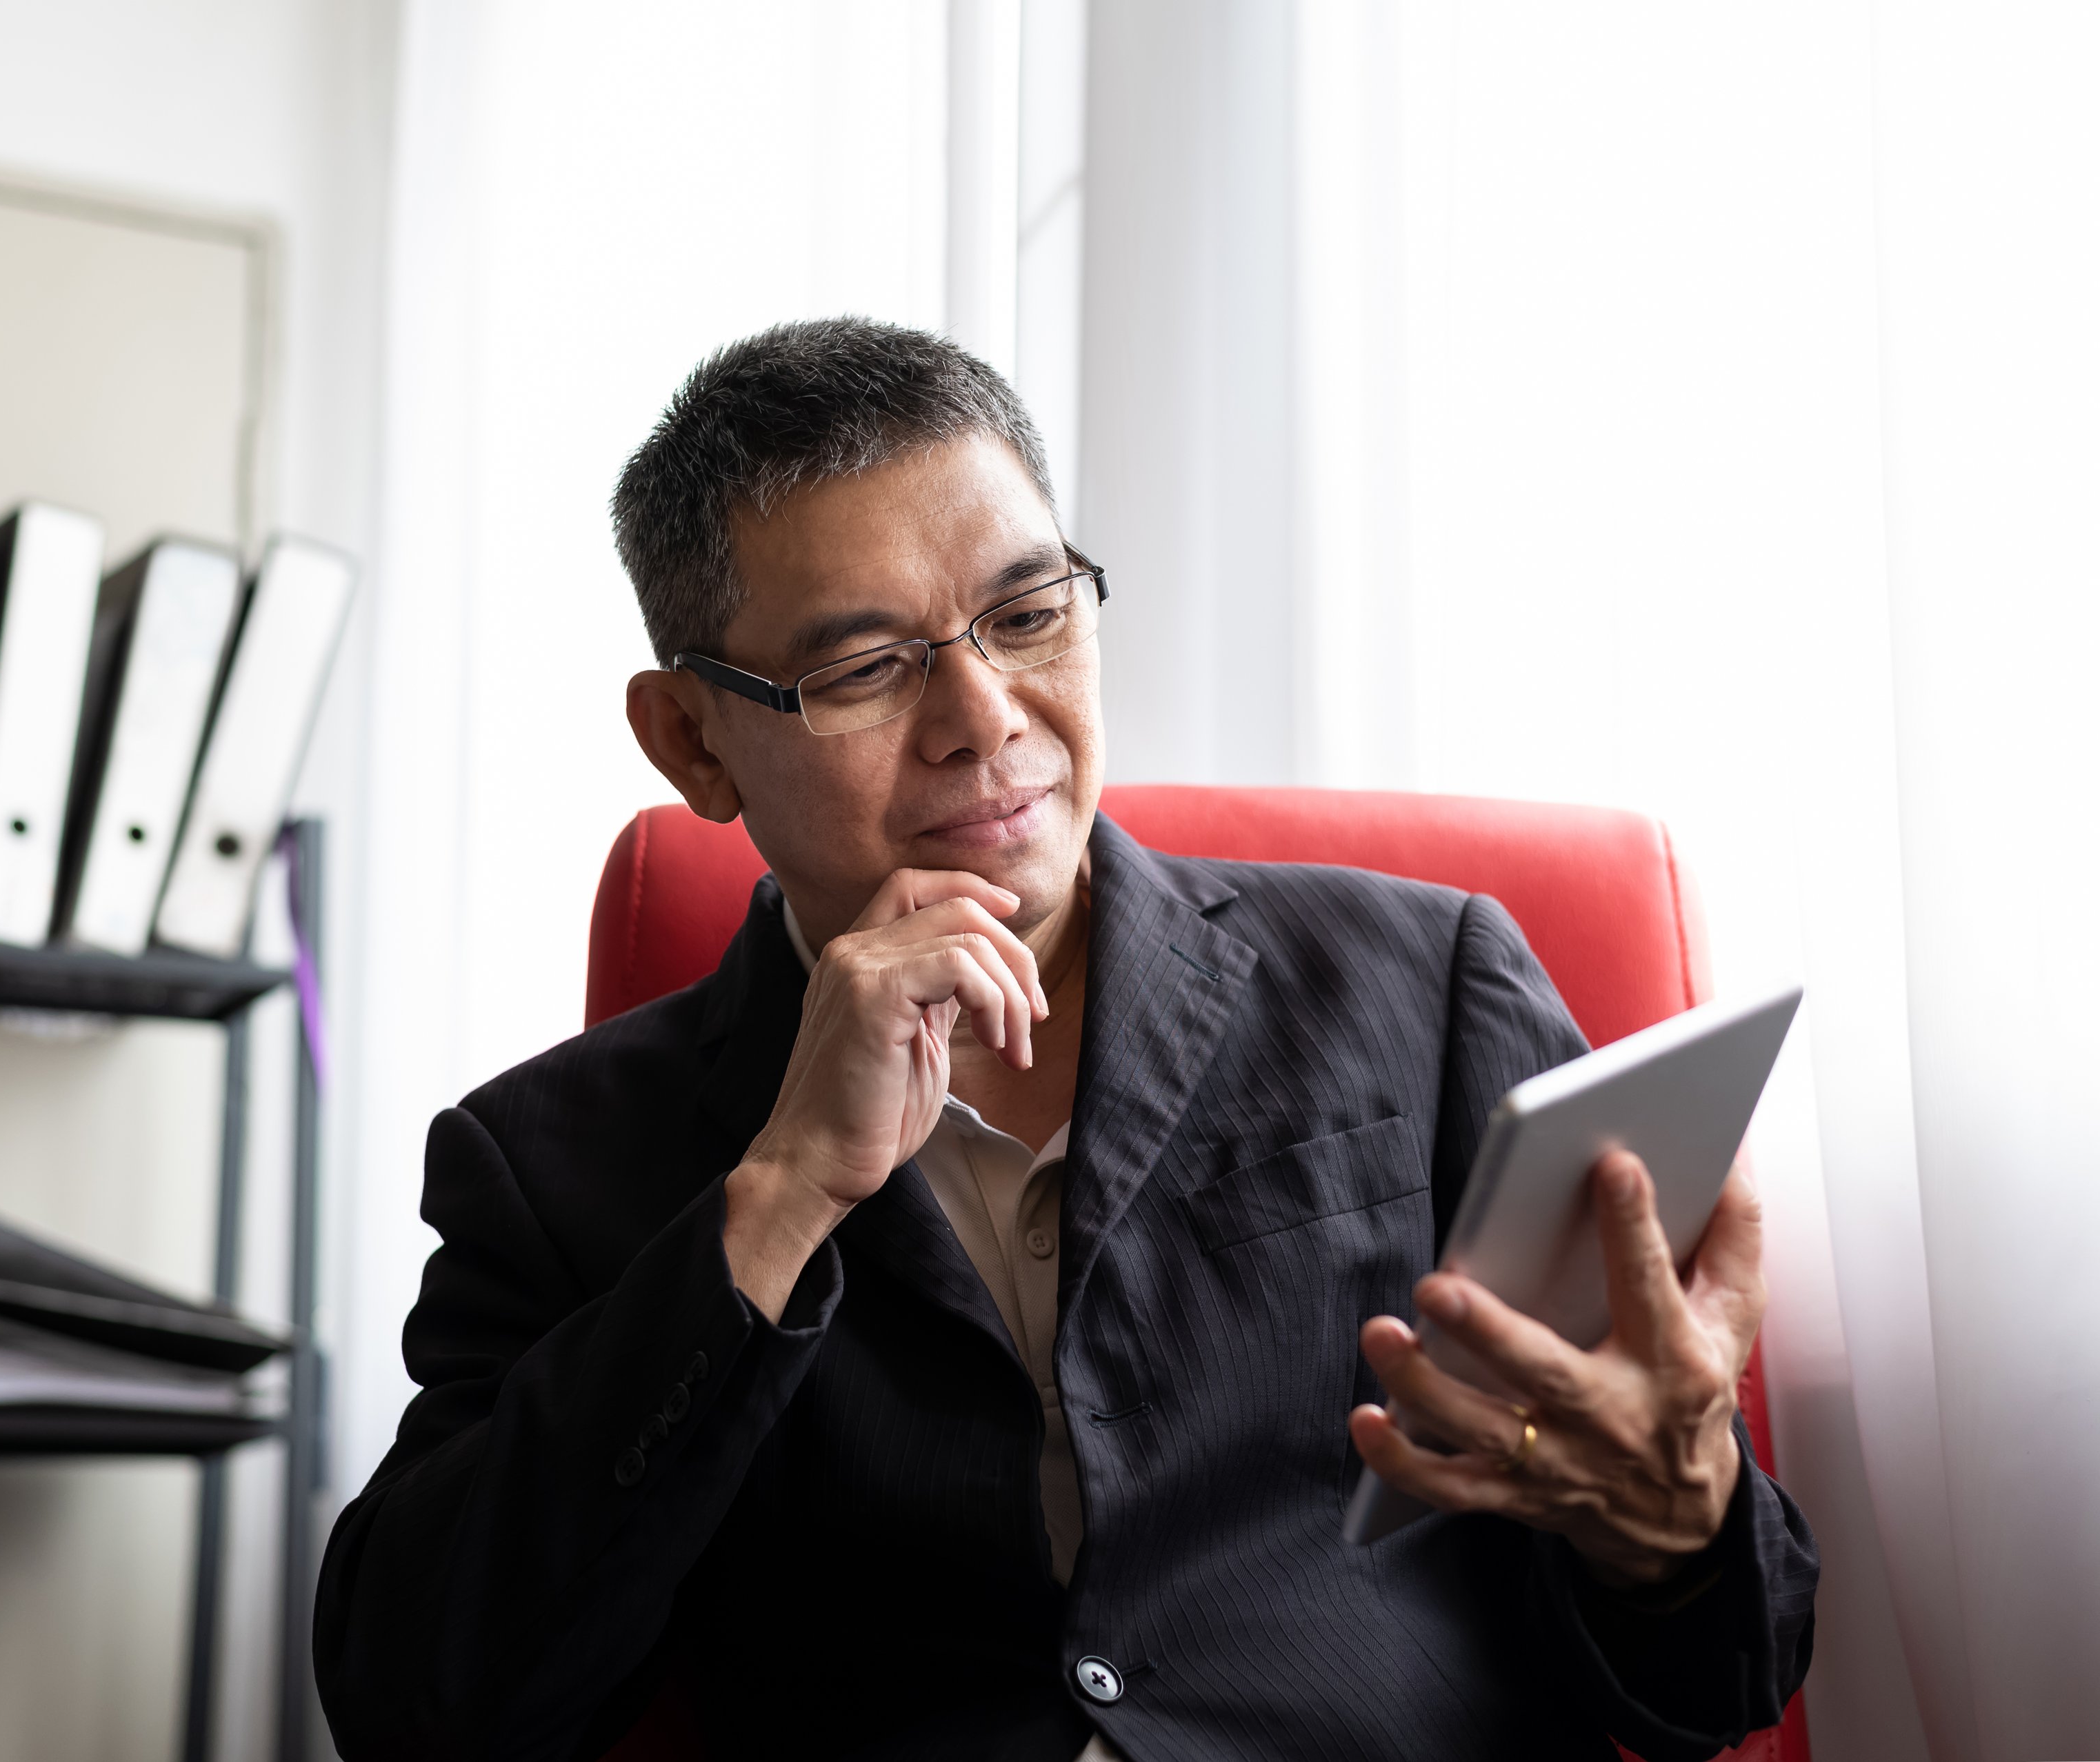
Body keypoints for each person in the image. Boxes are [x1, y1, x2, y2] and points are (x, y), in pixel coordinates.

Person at [314, 318, 1815, 1762]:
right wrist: (778, 1199)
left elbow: (1722, 1679)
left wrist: (1681, 1525)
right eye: (864, 668)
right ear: (693, 741)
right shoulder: (554, 1163)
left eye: (1028, 615)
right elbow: (426, 1711)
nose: (985, 717)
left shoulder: (1424, 986)